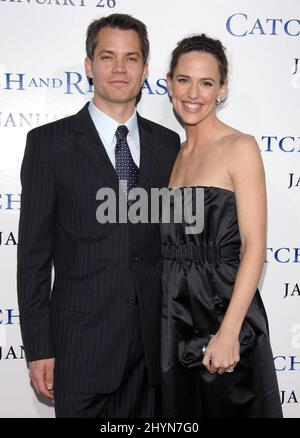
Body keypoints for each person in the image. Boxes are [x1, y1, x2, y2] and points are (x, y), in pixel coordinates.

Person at [17, 13, 180, 418]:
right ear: (89, 65)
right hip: (80, 352)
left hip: (152, 358)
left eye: (131, 58)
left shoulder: (169, 145)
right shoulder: (49, 144)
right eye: (108, 57)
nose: (120, 69)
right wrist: (39, 349)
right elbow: (33, 258)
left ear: (145, 69)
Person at [160, 34, 283, 417]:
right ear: (169, 83)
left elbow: (254, 247)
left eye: (206, 82)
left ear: (222, 88)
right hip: (174, 310)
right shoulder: (172, 153)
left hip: (221, 306)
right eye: (184, 80)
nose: (193, 93)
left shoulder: (239, 146)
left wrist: (229, 332)